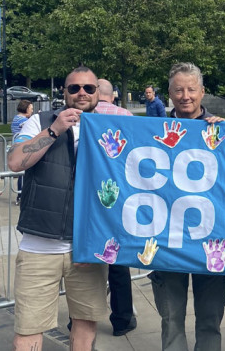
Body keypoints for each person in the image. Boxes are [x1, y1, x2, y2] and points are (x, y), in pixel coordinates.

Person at [8, 66, 108, 351]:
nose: (81, 93)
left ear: (98, 94)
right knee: (28, 329)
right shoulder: (39, 121)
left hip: (86, 247)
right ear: (63, 92)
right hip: (39, 244)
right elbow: (15, 162)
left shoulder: (110, 128)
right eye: (73, 88)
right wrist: (54, 130)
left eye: (88, 88)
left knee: (86, 323)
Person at [149, 62, 225, 351]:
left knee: (210, 320)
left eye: (191, 89)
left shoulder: (222, 131)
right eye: (178, 90)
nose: (185, 95)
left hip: (211, 241)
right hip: (168, 241)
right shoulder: (152, 131)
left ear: (202, 92)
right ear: (169, 93)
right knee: (171, 320)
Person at [94, 78, 138, 337]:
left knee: (86, 261)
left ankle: (78, 318)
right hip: (118, 193)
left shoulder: (83, 116)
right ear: (113, 96)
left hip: (88, 192)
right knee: (117, 261)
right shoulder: (125, 115)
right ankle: (122, 319)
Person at [10, 100, 34, 205]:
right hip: (24, 148)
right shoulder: (23, 121)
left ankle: (21, 194)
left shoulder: (16, 118)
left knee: (23, 174)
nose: (32, 111)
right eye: (31, 109)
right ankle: (21, 195)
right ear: (26, 108)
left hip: (20, 148)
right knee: (24, 174)